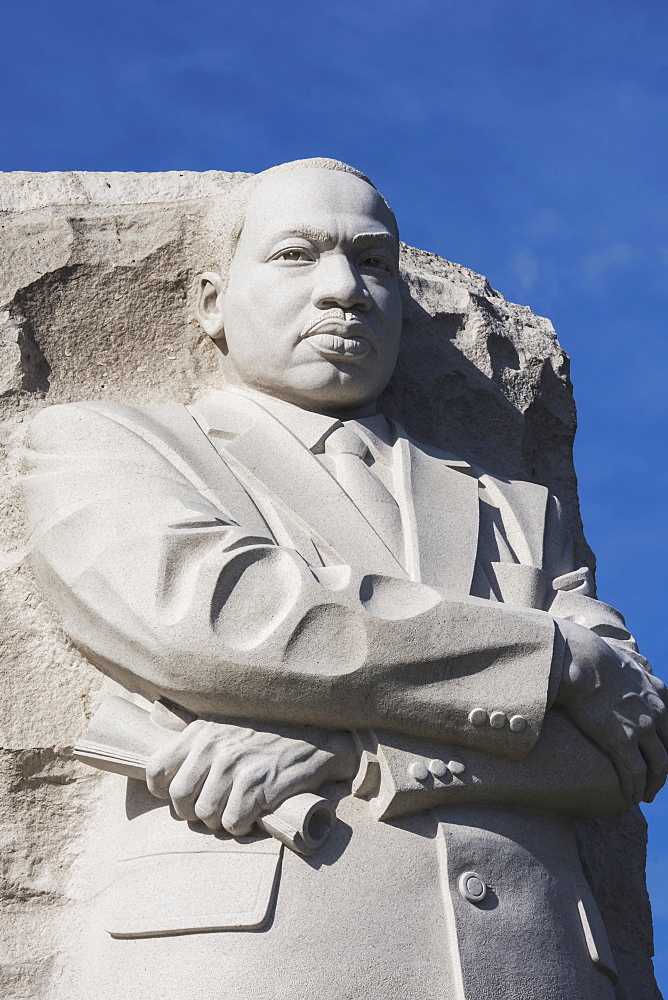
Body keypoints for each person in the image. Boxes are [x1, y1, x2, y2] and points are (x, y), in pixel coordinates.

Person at [22, 158, 668, 1000]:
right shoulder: (108, 444)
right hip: (252, 957)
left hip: (539, 965)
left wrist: (353, 753)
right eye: (298, 254)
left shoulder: (516, 507)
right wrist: (553, 658)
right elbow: (221, 618)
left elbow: (631, 742)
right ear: (211, 301)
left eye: (374, 261)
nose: (345, 290)